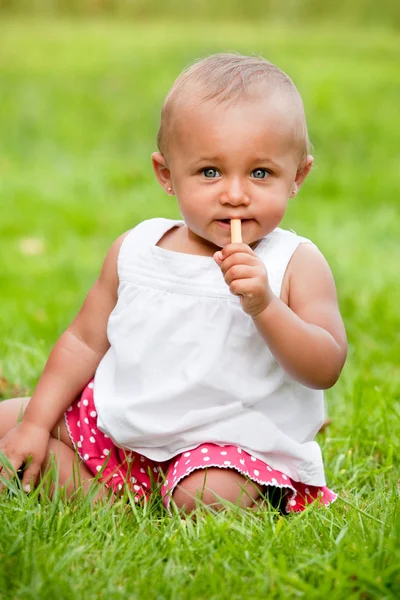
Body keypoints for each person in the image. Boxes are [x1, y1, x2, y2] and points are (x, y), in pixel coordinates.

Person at [0, 53, 347, 514]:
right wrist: (36, 423)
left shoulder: (294, 263)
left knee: (206, 495)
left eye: (260, 173)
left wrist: (265, 306)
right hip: (121, 426)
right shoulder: (136, 250)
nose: (236, 193)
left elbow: (325, 366)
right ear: (166, 174)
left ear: (297, 176)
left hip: (225, 448)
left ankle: (115, 501)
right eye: (210, 172)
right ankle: (106, 496)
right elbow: (84, 343)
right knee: (10, 423)